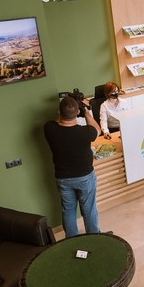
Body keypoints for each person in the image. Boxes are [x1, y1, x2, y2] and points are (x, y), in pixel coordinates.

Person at [43, 95, 100, 235]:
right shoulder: (85, 132)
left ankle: (72, 240)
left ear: (59, 112)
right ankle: (94, 238)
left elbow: (58, 120)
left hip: (63, 178)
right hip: (85, 177)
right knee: (89, 210)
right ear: (77, 112)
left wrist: (65, 110)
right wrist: (86, 112)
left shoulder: (49, 128)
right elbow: (97, 130)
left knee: (68, 210)